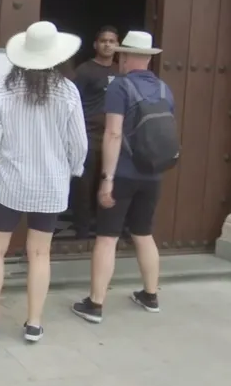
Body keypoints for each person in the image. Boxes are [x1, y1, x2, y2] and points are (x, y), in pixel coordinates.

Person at [0, 21, 88, 342]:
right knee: (40, 254)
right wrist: (72, 170)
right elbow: (79, 144)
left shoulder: (3, 88)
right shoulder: (69, 91)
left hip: (10, 184)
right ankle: (34, 323)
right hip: (51, 186)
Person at [71, 31, 177, 324]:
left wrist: (107, 178)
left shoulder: (120, 87)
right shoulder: (163, 89)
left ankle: (95, 303)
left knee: (106, 238)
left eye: (122, 54)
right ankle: (150, 295)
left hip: (125, 173)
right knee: (144, 233)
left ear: (128, 56)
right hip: (153, 174)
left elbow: (114, 132)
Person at [70, 26, 119, 238]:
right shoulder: (84, 70)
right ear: (95, 44)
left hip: (112, 137)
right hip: (87, 136)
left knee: (107, 184)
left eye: (112, 41)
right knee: (83, 186)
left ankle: (104, 230)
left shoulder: (120, 71)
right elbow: (72, 100)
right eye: (103, 40)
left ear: (118, 45)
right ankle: (81, 231)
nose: (107, 44)